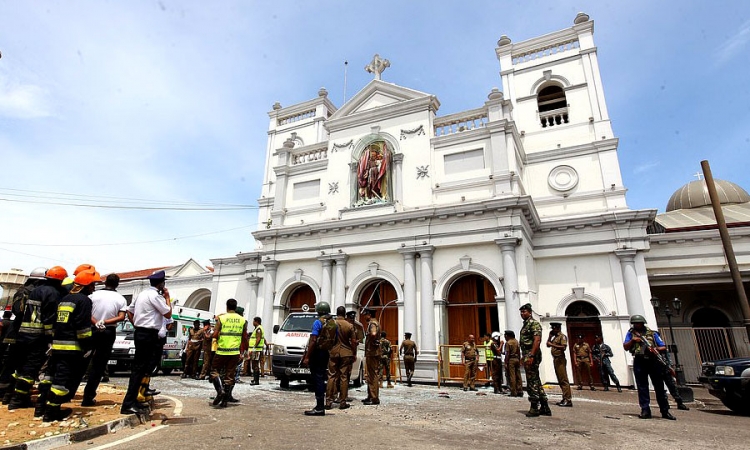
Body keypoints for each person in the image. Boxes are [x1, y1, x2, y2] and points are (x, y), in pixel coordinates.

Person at [9, 266, 68, 411]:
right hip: (38, 337)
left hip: (23, 334)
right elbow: (49, 318)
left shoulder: (35, 290)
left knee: (21, 368)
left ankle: (10, 396)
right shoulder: (53, 294)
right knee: (30, 370)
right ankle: (18, 400)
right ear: (60, 280)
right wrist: (51, 338)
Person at [43, 269, 99, 421]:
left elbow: (56, 322)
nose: (94, 288)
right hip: (71, 347)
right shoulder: (84, 301)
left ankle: (42, 407)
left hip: (58, 345)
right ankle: (51, 412)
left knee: (52, 377)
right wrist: (88, 345)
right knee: (62, 380)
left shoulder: (65, 298)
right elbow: (82, 327)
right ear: (86, 286)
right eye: (93, 285)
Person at [121, 270, 172, 415]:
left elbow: (129, 311)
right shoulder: (156, 296)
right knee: (139, 369)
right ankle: (128, 403)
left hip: (141, 332)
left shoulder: (141, 294)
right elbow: (168, 313)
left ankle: (134, 400)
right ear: (161, 283)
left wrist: (136, 324)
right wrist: (167, 298)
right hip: (149, 334)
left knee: (141, 368)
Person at [0, 267, 46, 404]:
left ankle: (11, 391)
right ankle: (6, 391)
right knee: (15, 364)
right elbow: (18, 310)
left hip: (23, 333)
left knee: (18, 365)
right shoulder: (25, 292)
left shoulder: (26, 291)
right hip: (19, 334)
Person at [82, 273, 127, 406]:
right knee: (99, 365)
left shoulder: (93, 295)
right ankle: (88, 397)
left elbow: (87, 313)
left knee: (83, 361)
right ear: (117, 284)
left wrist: (96, 322)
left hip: (91, 329)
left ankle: (69, 392)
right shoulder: (121, 298)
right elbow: (121, 317)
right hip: (108, 331)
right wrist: (105, 322)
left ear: (105, 282)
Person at [623, 315, 675, 420]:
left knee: (659, 386)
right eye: (634, 323)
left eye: (638, 323)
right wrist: (633, 340)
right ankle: (645, 410)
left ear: (642, 323)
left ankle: (665, 410)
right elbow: (625, 346)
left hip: (653, 361)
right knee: (642, 387)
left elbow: (663, 346)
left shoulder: (653, 333)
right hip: (639, 360)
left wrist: (655, 349)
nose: (636, 325)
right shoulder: (631, 334)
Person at [210, 298, 248, 408]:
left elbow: (215, 334)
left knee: (214, 371)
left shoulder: (222, 318)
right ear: (235, 308)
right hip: (234, 352)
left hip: (222, 351)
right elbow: (244, 338)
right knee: (229, 376)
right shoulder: (242, 320)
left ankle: (220, 390)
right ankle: (225, 401)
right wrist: (245, 351)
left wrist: (216, 334)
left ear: (227, 307)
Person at [519, 303, 551, 417]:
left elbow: (537, 340)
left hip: (532, 355)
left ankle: (534, 407)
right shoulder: (526, 324)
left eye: (524, 312)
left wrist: (531, 355)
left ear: (530, 312)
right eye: (521, 312)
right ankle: (545, 406)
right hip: (528, 354)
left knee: (531, 382)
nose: (522, 314)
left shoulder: (534, 324)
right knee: (536, 381)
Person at [302, 302, 333, 415]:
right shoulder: (333, 323)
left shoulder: (318, 322)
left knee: (317, 379)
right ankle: (321, 404)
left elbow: (313, 340)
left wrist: (307, 356)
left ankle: (320, 407)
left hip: (317, 353)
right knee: (322, 377)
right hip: (327, 353)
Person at [325, 306, 355, 410]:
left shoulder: (331, 324)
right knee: (344, 377)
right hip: (346, 353)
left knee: (331, 376)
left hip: (333, 352)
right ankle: (342, 401)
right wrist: (354, 353)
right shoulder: (349, 325)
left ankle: (328, 401)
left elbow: (326, 339)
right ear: (345, 314)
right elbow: (354, 342)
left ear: (337, 313)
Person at [546, 322, 573, 407]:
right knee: (560, 379)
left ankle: (568, 399)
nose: (553, 330)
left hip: (560, 359)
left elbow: (563, 347)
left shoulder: (562, 336)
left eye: (554, 328)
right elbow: (547, 344)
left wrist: (552, 344)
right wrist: (550, 337)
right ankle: (564, 397)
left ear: (557, 328)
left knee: (563, 379)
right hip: (556, 359)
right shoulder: (555, 337)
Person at [361, 308, 381, 405]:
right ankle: (370, 396)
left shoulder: (373, 324)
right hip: (371, 352)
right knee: (370, 375)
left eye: (365, 315)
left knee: (372, 375)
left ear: (369, 315)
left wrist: (369, 335)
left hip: (372, 353)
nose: (364, 317)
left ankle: (374, 398)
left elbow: (373, 333)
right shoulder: (374, 322)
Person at [504, 330, 523, 397]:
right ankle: (520, 390)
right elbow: (518, 351)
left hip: (511, 360)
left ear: (507, 336)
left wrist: (506, 363)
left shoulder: (508, 343)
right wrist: (520, 360)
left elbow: (507, 354)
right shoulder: (516, 341)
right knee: (518, 375)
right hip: (517, 359)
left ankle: (513, 391)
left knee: (512, 376)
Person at [249, 317, 265, 385]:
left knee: (255, 364)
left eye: (253, 321)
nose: (253, 322)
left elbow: (258, 339)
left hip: (257, 350)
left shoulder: (258, 329)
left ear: (256, 321)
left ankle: (256, 381)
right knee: (254, 364)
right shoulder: (257, 328)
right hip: (257, 349)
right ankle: (255, 379)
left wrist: (254, 348)